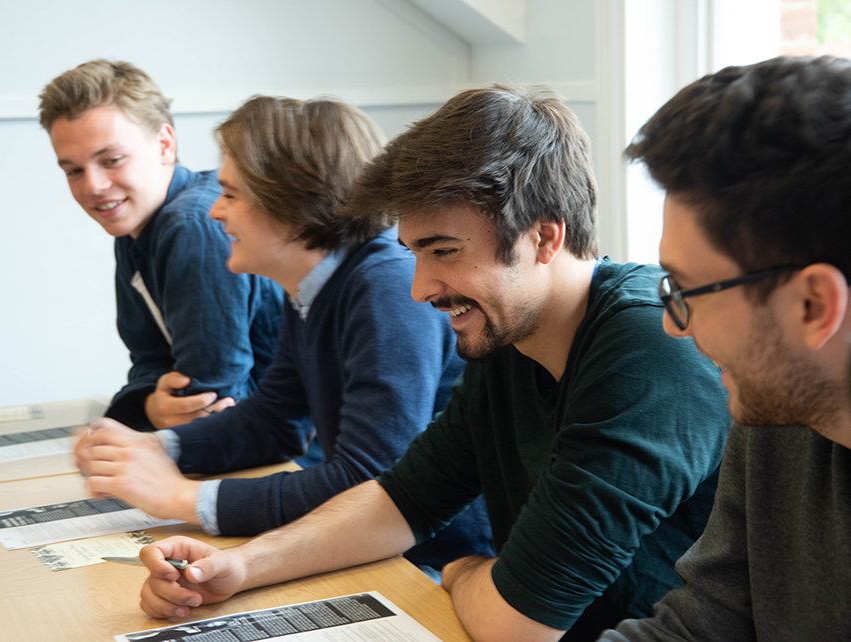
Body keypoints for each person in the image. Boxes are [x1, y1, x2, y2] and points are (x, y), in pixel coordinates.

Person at [133, 85, 732, 642]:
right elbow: (401, 499)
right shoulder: (508, 334)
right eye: (415, 252)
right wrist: (238, 566)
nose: (421, 288)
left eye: (444, 251)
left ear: (545, 238)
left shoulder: (646, 345)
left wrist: (464, 570)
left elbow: (516, 625)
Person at [75, 95, 494, 572]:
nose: (215, 212)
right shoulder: (320, 284)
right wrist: (154, 447)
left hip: (439, 566)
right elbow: (275, 420)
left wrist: (182, 496)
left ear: (294, 204)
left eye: (231, 195)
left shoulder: (384, 287)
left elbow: (367, 480)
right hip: (377, 552)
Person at [596, 56, 851, 641]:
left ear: (813, 305)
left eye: (688, 290)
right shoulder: (776, 404)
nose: (672, 326)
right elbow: (703, 623)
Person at [39, 60, 284, 431]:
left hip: (284, 451)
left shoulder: (191, 225)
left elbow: (214, 397)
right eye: (73, 170)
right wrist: (151, 405)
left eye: (112, 160)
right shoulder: (133, 224)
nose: (93, 186)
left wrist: (146, 412)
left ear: (165, 145)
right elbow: (149, 360)